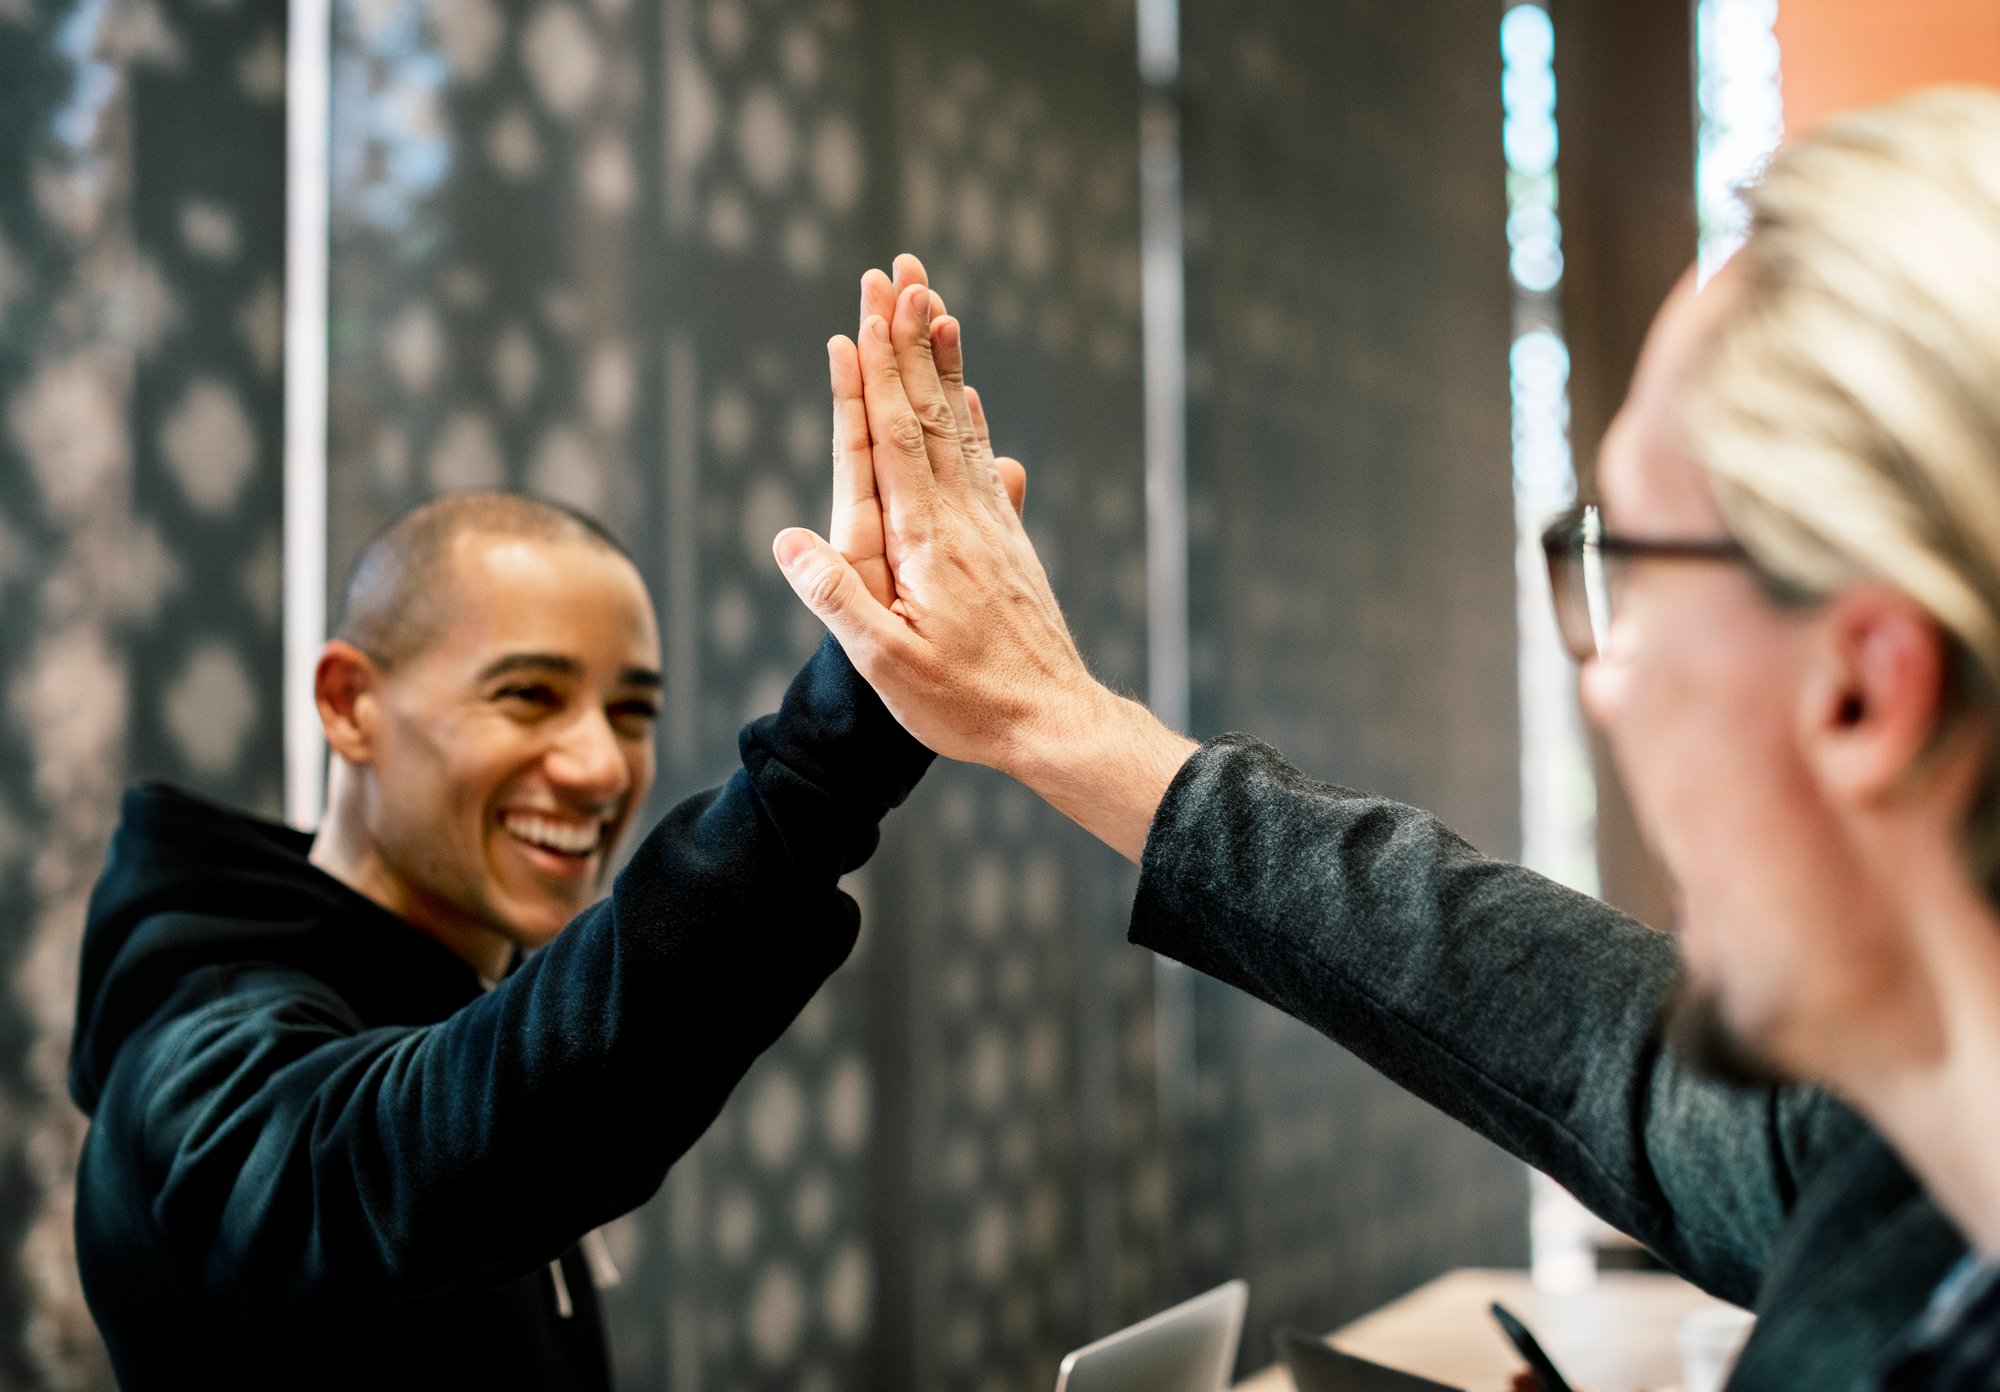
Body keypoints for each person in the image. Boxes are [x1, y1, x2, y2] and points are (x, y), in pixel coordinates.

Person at [774, 89, 2000, 1388]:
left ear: (1865, 692)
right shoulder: (1909, 1159)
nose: (1602, 684)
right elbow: (1581, 1034)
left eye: (1621, 572)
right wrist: (1058, 723)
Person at [67, 474, 1006, 1387]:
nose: (601, 766)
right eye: (527, 695)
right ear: (350, 704)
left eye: (631, 712)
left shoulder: (460, 997)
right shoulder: (190, 1049)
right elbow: (390, 1167)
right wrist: (821, 768)